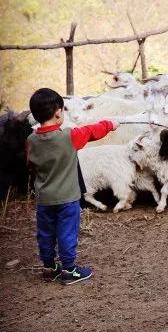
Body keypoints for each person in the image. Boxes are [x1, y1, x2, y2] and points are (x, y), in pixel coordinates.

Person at [26, 88, 118, 285]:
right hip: (67, 199)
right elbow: (93, 131)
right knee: (67, 233)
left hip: (44, 199)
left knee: (45, 233)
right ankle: (69, 270)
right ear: (59, 112)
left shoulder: (30, 141)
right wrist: (110, 124)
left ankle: (49, 267)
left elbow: (30, 164)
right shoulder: (69, 136)